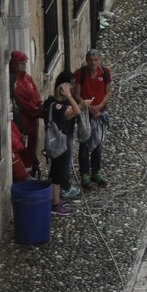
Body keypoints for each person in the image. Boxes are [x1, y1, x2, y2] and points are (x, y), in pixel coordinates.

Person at [44, 72, 85, 214]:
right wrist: (69, 96)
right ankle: (55, 204)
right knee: (57, 174)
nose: (72, 88)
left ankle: (50, 197)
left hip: (52, 142)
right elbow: (77, 111)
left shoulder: (49, 102)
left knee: (53, 171)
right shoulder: (58, 107)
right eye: (68, 87)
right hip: (58, 144)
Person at [73, 49, 112, 191]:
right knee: (84, 142)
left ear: (99, 60)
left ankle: (96, 172)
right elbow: (76, 95)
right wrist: (89, 108)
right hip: (85, 112)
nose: (93, 63)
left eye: (96, 60)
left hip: (100, 111)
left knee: (98, 142)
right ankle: (84, 174)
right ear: (86, 60)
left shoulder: (105, 72)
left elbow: (108, 92)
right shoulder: (80, 73)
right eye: (90, 60)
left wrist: (100, 107)